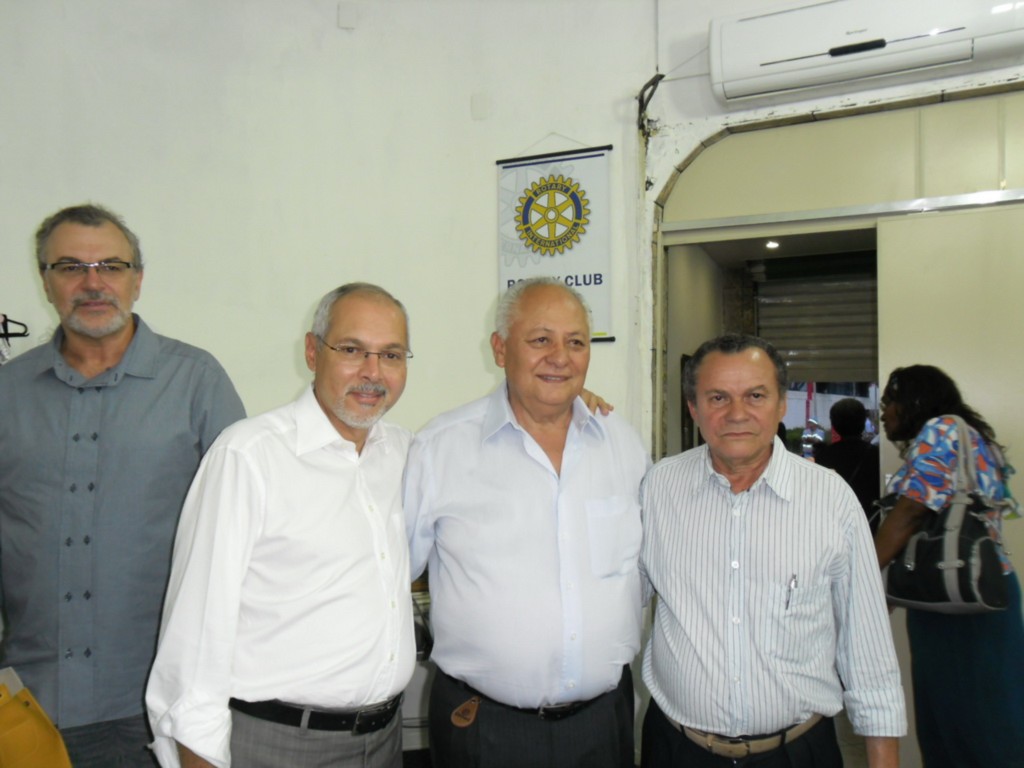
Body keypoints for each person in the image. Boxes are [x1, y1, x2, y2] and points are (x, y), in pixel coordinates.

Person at [0, 204, 244, 767]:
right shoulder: (8, 393)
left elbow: (243, 535)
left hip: (156, 705)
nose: (93, 283)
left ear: (138, 278)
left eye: (111, 266)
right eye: (70, 267)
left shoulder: (196, 382)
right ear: (45, 281)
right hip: (29, 704)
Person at [145, 284, 417, 768]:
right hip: (278, 744)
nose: (373, 372)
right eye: (352, 350)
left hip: (384, 742)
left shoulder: (404, 453)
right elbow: (197, 630)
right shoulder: (249, 456)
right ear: (313, 352)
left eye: (391, 355)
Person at [404, 277, 650, 768]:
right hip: (484, 727)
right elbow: (394, 574)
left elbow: (640, 574)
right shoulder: (440, 448)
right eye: (540, 339)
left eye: (575, 342)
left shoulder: (623, 444)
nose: (560, 357)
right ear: (500, 349)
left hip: (604, 723)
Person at [640, 333, 905, 768]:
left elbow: (868, 648)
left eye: (755, 395)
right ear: (693, 408)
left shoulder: (830, 499)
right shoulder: (659, 488)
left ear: (781, 404)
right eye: (718, 397)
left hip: (798, 752)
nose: (736, 414)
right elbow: (616, 599)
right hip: (677, 749)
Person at [874, 365, 1024, 767]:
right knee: (956, 723)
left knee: (977, 729)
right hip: (957, 593)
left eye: (889, 402)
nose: (884, 413)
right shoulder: (969, 435)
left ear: (914, 401)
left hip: (965, 607)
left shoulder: (942, 429)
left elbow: (910, 512)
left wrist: (866, 580)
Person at [815, 398, 881, 531]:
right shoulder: (877, 454)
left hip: (835, 524)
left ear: (834, 424)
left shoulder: (824, 456)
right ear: (863, 422)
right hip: (869, 523)